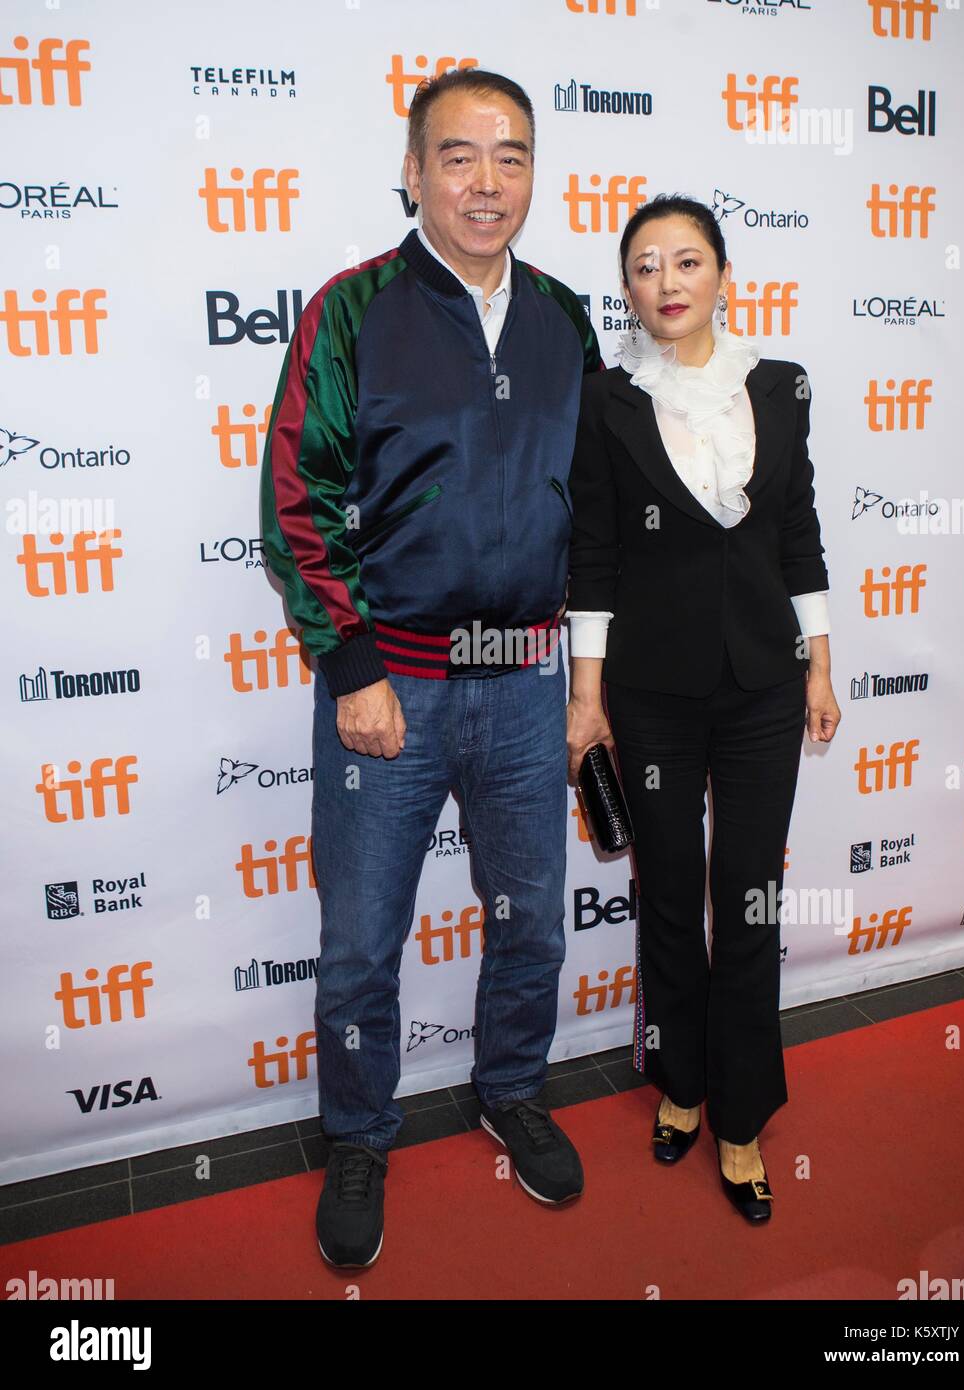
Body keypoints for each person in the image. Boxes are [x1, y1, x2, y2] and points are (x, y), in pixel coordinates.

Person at [260, 68, 602, 1269]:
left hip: (524, 688)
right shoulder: (351, 310)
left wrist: (587, 680)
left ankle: (512, 1088)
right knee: (360, 941)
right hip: (387, 688)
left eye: (510, 156)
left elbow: (594, 513)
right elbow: (297, 498)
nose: (485, 181)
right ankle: (358, 1132)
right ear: (412, 172)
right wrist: (352, 665)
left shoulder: (567, 316)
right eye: (458, 155)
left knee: (534, 928)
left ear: (532, 174)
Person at [565, 193, 841, 1224]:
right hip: (651, 694)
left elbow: (798, 529)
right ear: (627, 286)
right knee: (672, 895)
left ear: (723, 273)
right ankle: (680, 1081)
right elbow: (591, 552)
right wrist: (585, 696)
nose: (667, 283)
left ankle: (742, 1112)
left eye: (687, 261)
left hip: (766, 686)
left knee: (752, 900)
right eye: (646, 266)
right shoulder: (606, 401)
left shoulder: (777, 386)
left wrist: (818, 663)